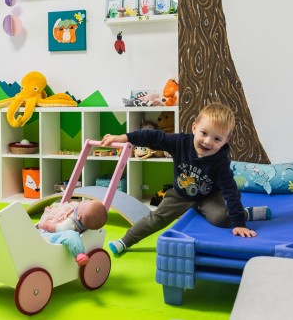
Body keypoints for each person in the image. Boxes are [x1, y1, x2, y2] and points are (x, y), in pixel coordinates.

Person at [100, 102, 271, 256]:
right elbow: (151, 137)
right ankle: (125, 241)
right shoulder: (179, 143)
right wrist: (123, 138)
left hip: (208, 196)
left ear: (226, 141)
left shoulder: (220, 162)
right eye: (204, 133)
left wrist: (239, 223)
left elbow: (231, 192)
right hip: (180, 194)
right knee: (156, 218)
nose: (207, 142)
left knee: (221, 219)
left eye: (217, 139)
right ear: (194, 127)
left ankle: (246, 213)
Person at [37, 199, 108, 265]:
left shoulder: (71, 222)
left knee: (72, 235)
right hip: (54, 236)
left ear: (79, 216)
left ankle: (79, 254)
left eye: (85, 203)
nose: (84, 201)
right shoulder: (83, 217)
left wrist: (47, 226)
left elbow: (60, 228)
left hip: (51, 237)